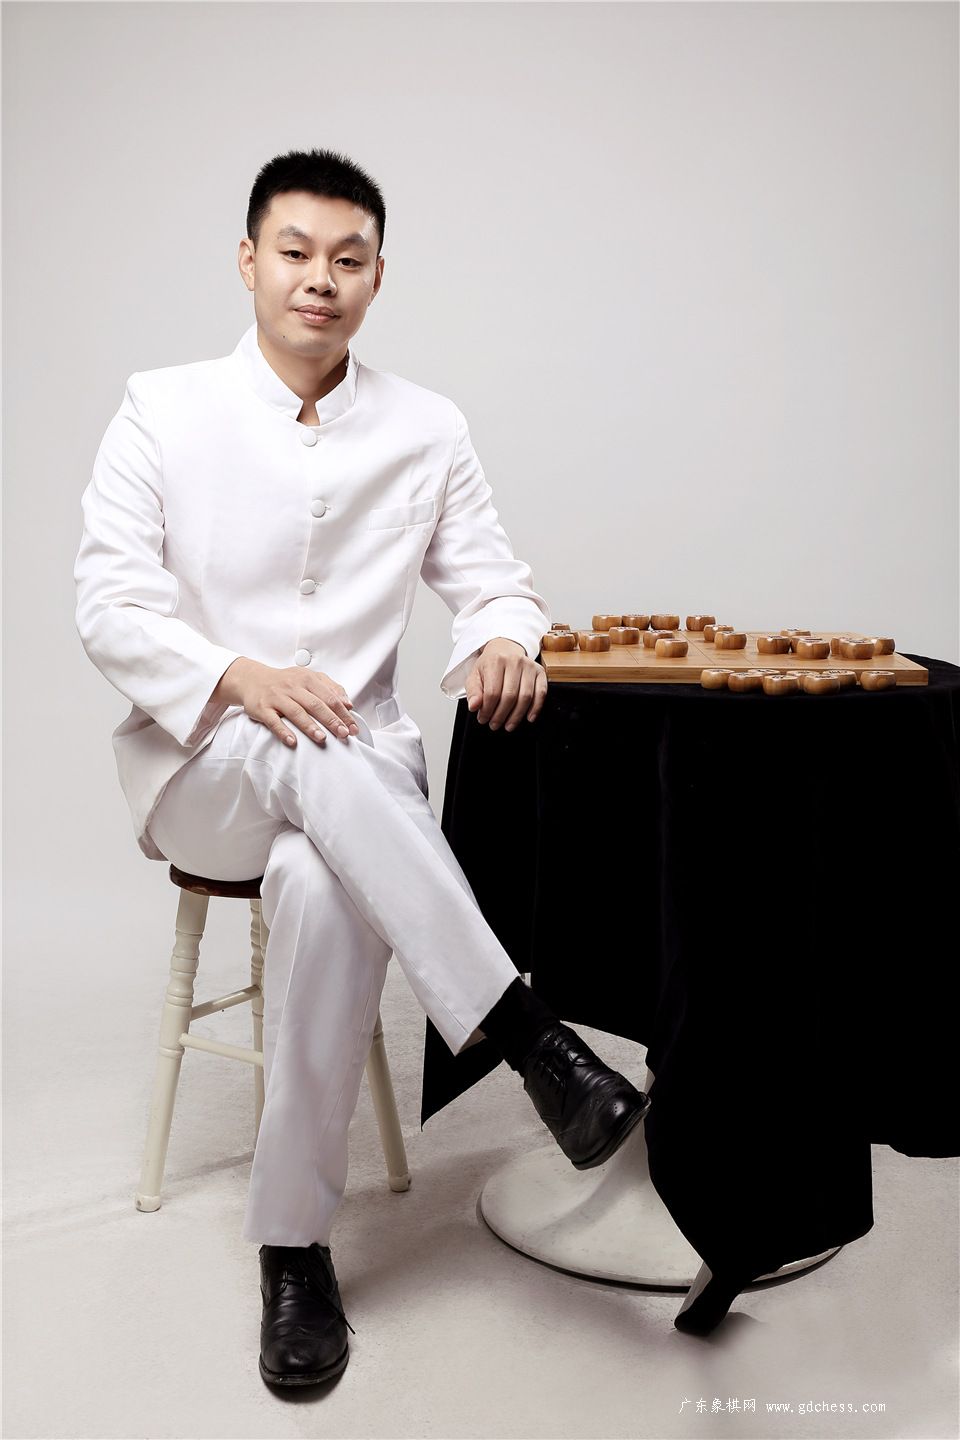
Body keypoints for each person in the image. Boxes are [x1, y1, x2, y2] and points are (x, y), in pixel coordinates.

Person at [74, 147, 652, 1388]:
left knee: (326, 882)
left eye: (348, 259)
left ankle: (294, 1252)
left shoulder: (426, 427)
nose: (319, 279)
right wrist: (242, 677)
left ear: (378, 277)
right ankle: (528, 1034)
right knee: (303, 753)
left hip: (355, 786)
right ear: (249, 261)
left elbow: (495, 581)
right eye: (294, 252)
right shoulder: (161, 410)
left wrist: (503, 640)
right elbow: (109, 607)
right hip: (206, 770)